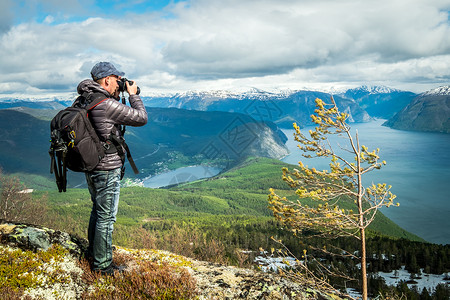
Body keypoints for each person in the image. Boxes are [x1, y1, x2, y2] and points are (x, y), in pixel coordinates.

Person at [76, 61, 148, 275]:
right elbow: (141, 118)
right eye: (118, 79)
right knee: (106, 217)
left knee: (98, 212)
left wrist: (119, 92)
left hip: (91, 165)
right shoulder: (106, 105)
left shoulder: (85, 99)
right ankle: (103, 267)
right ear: (107, 79)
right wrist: (133, 95)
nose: (120, 83)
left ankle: (93, 253)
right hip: (106, 168)